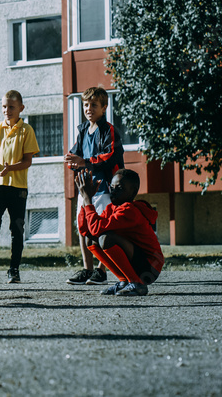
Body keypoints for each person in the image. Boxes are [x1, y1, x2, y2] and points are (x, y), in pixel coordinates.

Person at [0, 90, 38, 284]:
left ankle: (14, 270)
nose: (7, 110)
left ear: (21, 108)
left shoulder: (26, 130)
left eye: (11, 107)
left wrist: (11, 167)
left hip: (18, 187)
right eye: (4, 106)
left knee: (16, 228)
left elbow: (28, 161)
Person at [64, 86, 124, 286]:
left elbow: (109, 156)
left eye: (94, 105)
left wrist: (85, 161)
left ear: (104, 107)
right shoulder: (82, 130)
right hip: (85, 186)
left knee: (102, 228)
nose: (89, 108)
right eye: (86, 105)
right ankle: (87, 269)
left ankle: (102, 269)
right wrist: (72, 161)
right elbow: (76, 154)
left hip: (105, 187)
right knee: (83, 228)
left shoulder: (109, 130)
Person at [76, 168, 163, 296]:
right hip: (138, 263)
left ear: (132, 192)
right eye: (111, 187)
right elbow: (86, 231)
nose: (114, 191)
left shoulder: (129, 210)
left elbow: (97, 229)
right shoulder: (111, 208)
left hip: (149, 269)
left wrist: (89, 199)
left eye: (120, 188)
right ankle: (124, 281)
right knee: (91, 240)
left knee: (106, 239)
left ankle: (137, 284)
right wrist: (85, 200)